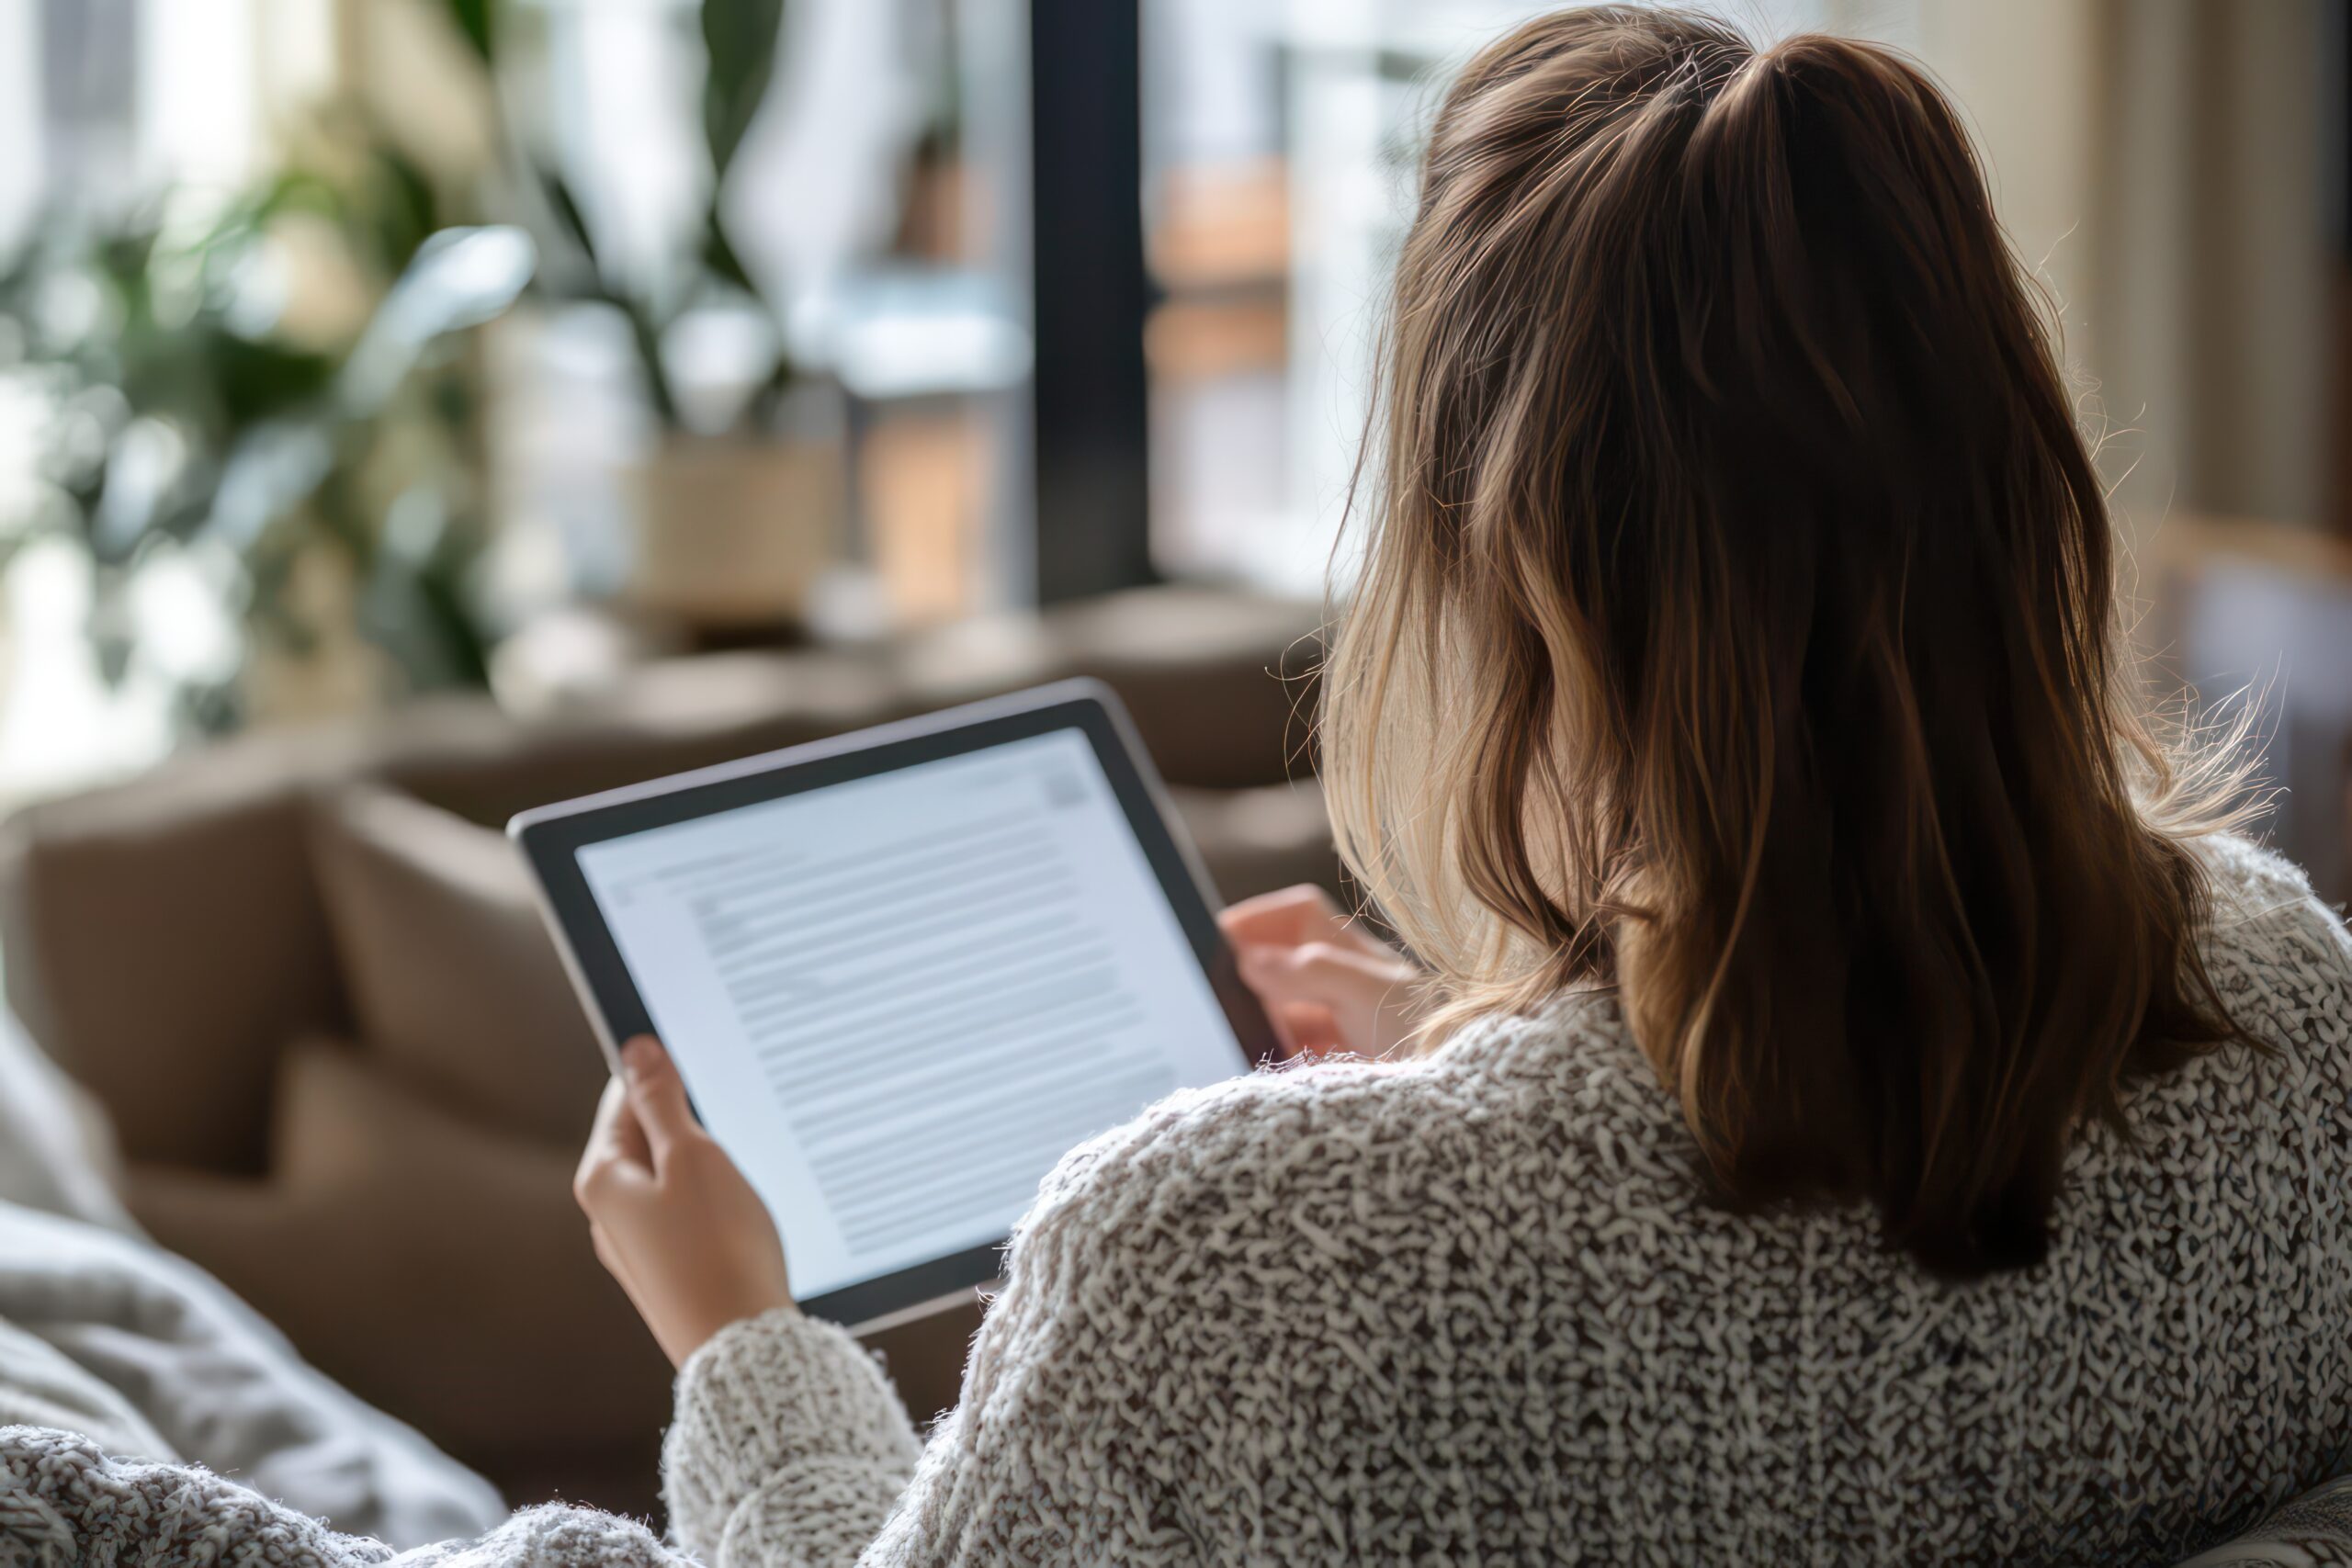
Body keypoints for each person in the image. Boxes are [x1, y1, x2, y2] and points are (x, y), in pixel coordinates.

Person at [6, 6, 2352, 1565]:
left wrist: (739, 1337)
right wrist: (1473, 1051)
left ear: (1494, 592)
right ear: (2013, 497)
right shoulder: (2289, 1022)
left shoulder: (1237, 1256)